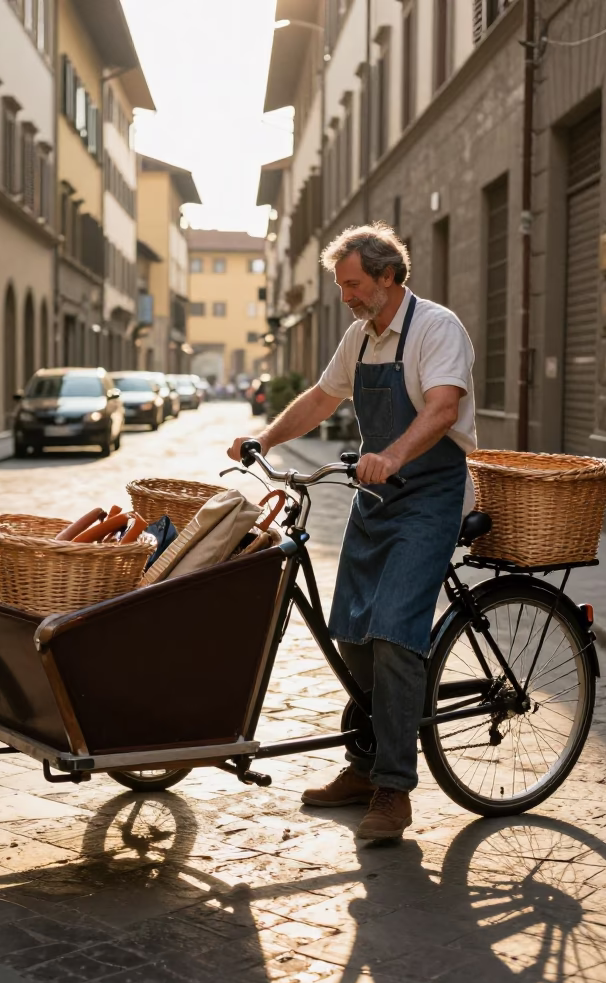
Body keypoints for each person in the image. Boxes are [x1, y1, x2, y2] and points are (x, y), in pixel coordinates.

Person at [227, 222, 478, 842]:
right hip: (374, 498)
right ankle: (364, 767)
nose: (345, 295)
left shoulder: (436, 328)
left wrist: (392, 456)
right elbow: (321, 396)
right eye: (341, 285)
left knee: (393, 632)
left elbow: (444, 408)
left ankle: (394, 788)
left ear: (388, 277)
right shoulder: (360, 337)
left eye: (353, 284)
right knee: (353, 633)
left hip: (428, 497)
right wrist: (266, 437)